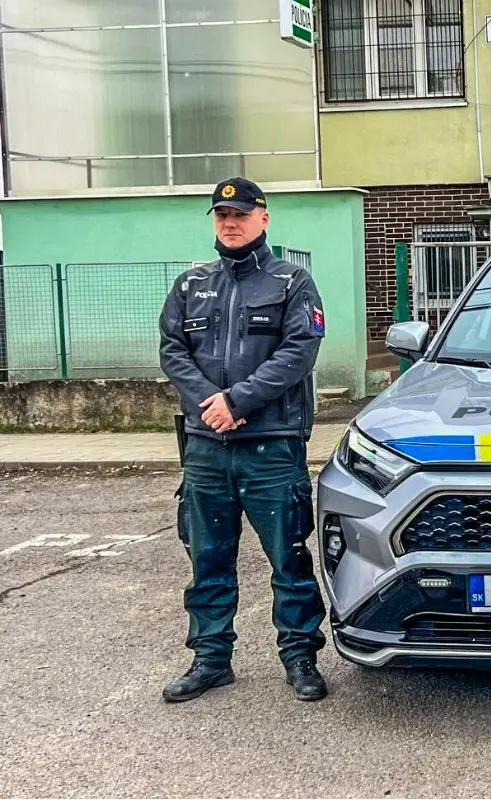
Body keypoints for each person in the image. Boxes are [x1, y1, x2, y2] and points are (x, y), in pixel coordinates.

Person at [158, 177, 328, 703]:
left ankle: (300, 656)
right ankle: (211, 659)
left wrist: (239, 401)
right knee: (207, 558)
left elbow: (300, 350)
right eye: (221, 215)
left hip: (271, 445)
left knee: (289, 558)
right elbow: (172, 350)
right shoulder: (191, 284)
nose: (230, 223)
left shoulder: (290, 282)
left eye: (240, 214)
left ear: (263, 218)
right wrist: (211, 401)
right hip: (207, 447)